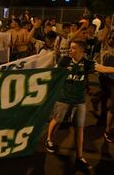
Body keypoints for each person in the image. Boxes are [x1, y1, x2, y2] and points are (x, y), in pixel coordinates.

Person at [45, 40, 114, 169]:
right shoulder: (64, 61)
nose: (70, 50)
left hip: (79, 101)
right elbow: (53, 74)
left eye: (73, 48)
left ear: (82, 51)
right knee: (56, 120)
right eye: (70, 48)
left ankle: (79, 157)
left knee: (79, 128)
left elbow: (104, 69)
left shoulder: (87, 63)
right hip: (63, 98)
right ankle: (49, 140)